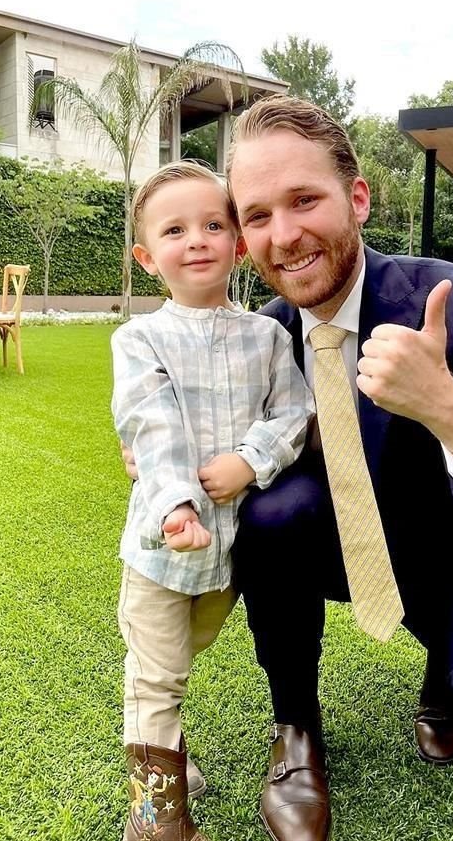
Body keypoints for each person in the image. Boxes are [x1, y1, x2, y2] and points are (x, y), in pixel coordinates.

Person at [214, 94, 453, 841]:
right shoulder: (255, 342)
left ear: (357, 198)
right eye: (257, 215)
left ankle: (448, 671)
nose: (283, 235)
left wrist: (449, 407)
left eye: (304, 200)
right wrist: (161, 464)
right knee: (268, 511)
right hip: (332, 545)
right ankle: (295, 729)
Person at [112, 160, 314, 841]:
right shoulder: (139, 339)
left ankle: (168, 748)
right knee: (154, 680)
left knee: (176, 662)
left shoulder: (268, 337)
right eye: (175, 229)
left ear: (237, 243)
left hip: (231, 556)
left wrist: (247, 461)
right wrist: (176, 504)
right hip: (162, 552)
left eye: (213, 224)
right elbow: (151, 424)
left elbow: (293, 413)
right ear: (147, 256)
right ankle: (158, 819)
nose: (196, 238)